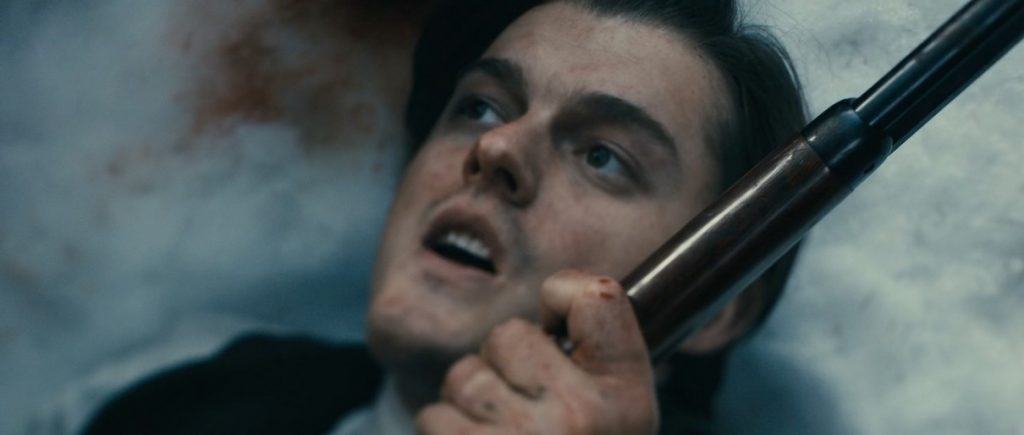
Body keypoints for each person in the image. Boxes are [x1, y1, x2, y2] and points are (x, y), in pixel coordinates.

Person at [82, 0, 807, 433]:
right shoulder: (180, 407)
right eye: (481, 106)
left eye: (602, 156)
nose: (497, 147)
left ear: (719, 304)